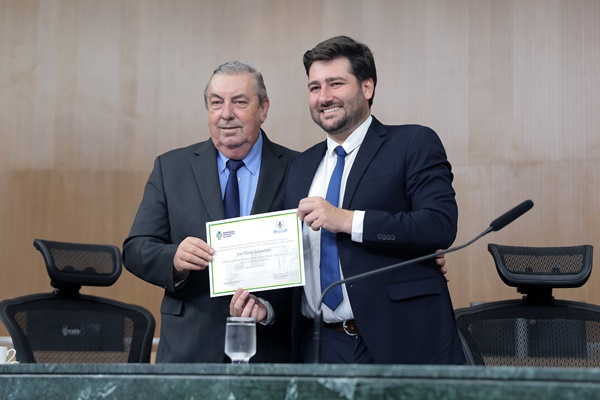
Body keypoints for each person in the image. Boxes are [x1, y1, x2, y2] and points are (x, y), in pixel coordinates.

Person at [282, 35, 465, 364]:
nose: (323, 97)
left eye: (335, 83)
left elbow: (439, 224)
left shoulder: (412, 142)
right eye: (314, 87)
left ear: (367, 87)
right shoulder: (300, 167)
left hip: (400, 341)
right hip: (319, 346)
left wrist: (347, 220)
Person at [122, 61, 298, 363]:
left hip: (270, 350)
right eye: (216, 103)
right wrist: (174, 259)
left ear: (264, 108)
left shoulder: (298, 168)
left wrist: (269, 308)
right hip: (189, 349)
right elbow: (135, 249)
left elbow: (311, 261)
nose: (226, 113)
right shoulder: (171, 168)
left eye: (239, 102)